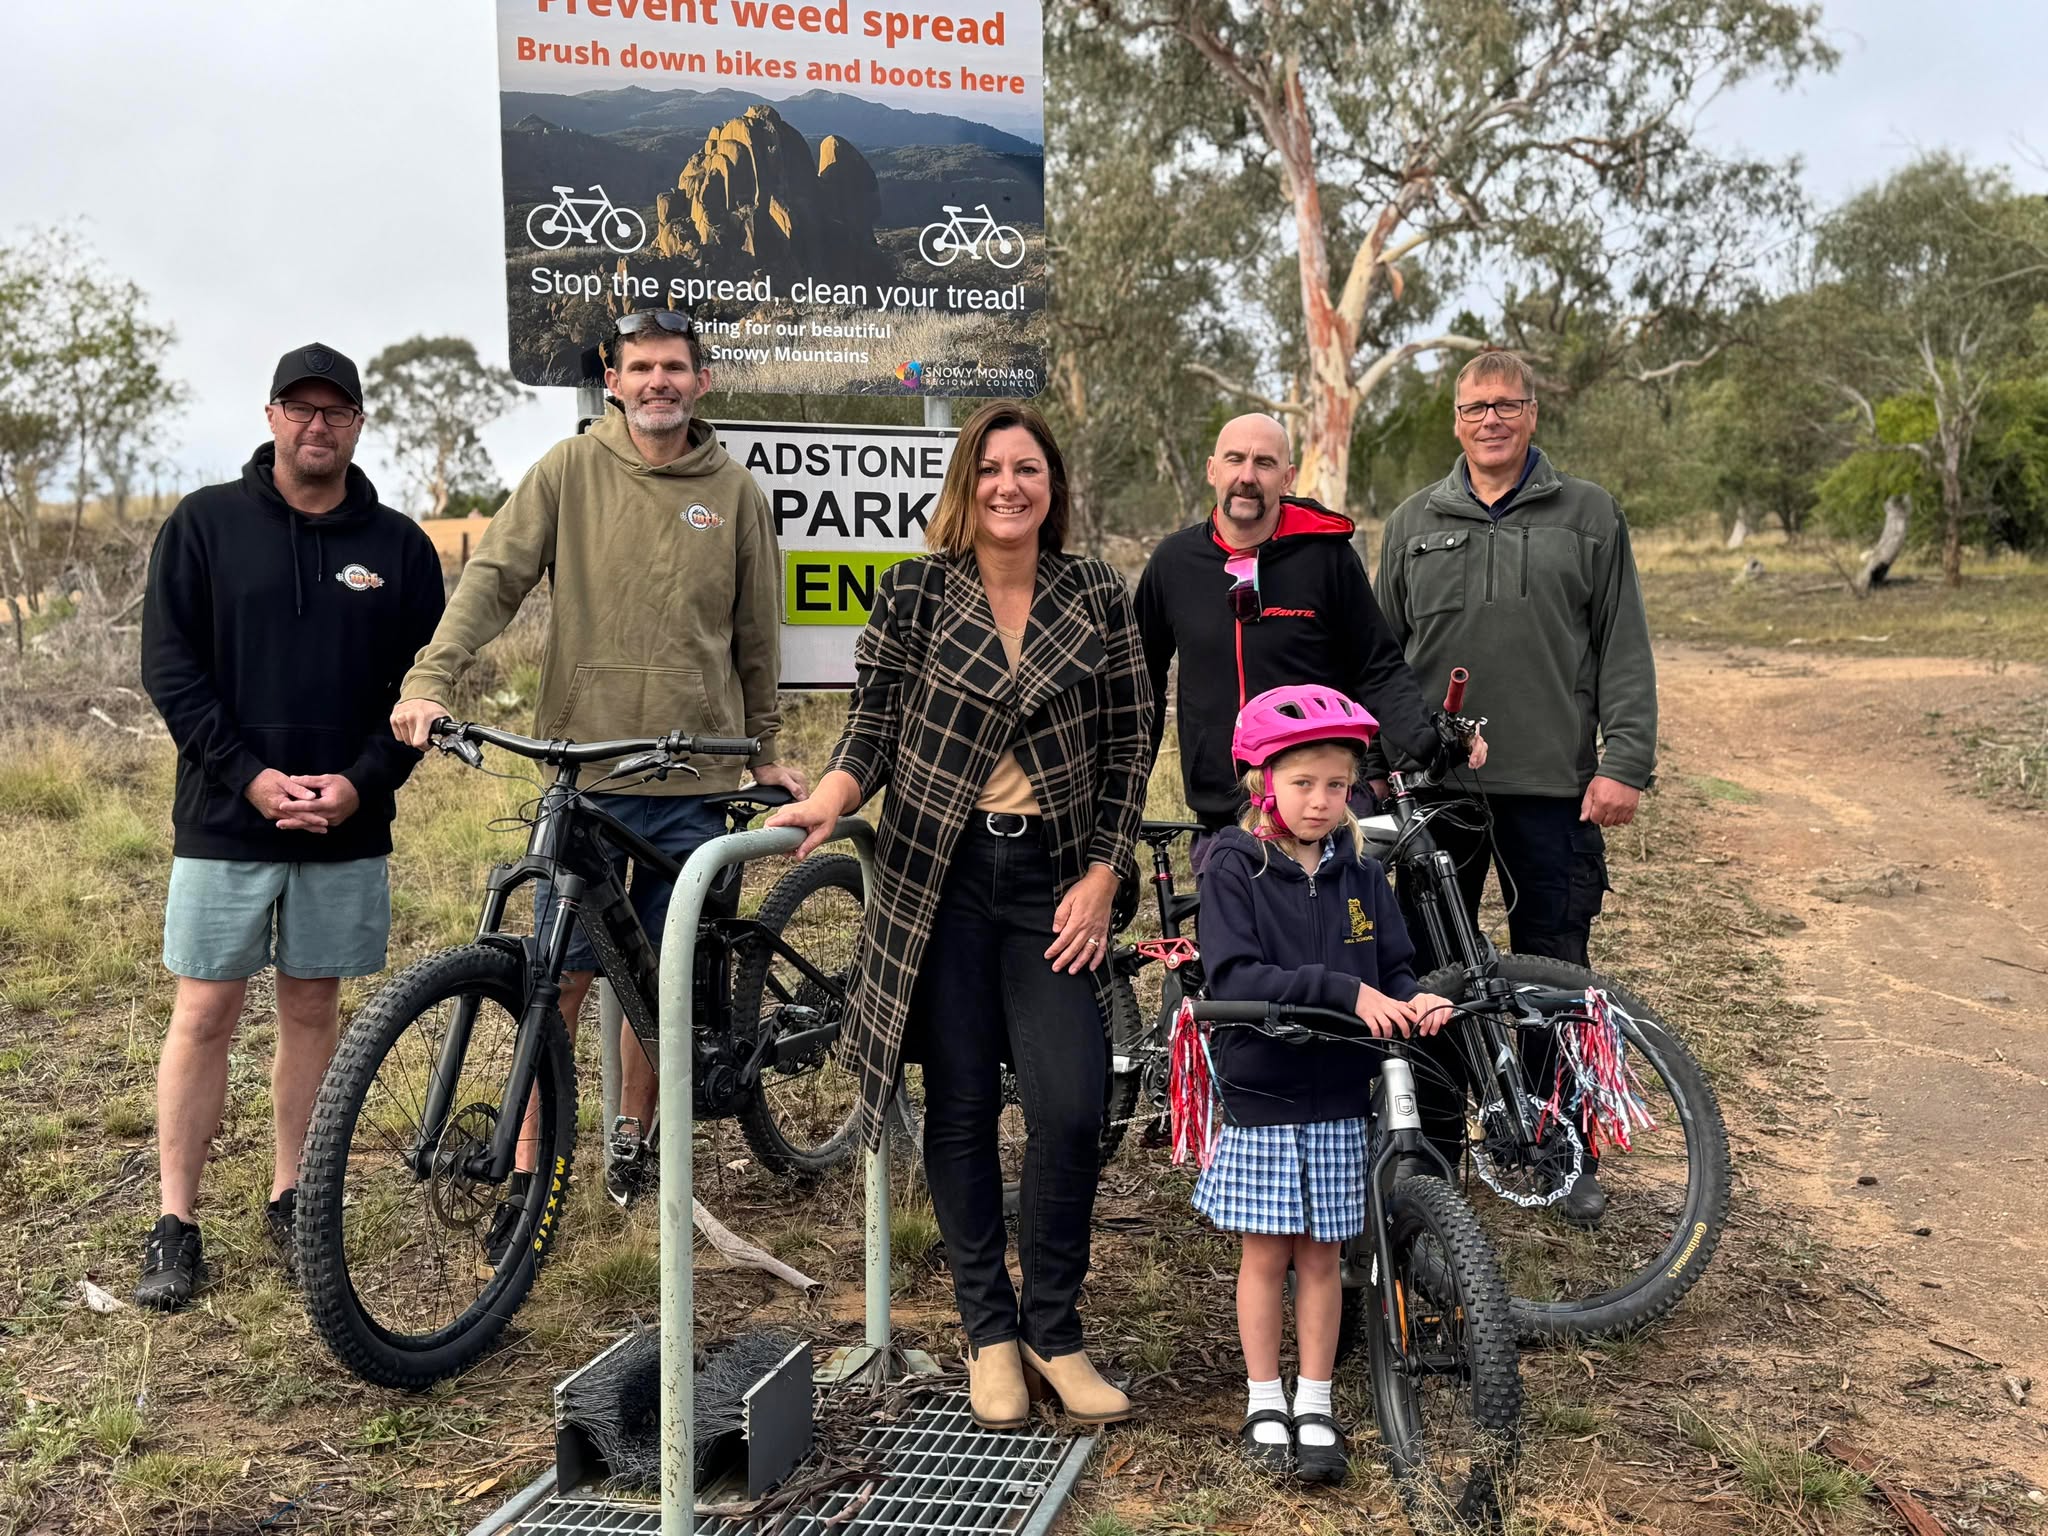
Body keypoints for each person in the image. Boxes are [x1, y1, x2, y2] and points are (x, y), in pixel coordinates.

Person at [768, 401, 1153, 1434]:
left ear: (1051, 486)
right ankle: (989, 1334)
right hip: (935, 879)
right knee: (960, 1109)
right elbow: (874, 726)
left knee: (1073, 1106)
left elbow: (1128, 745)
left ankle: (1053, 1333)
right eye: (988, 469)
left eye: (1026, 469)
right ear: (962, 485)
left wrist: (1105, 870)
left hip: (1054, 885)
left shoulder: (1093, 594)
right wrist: (834, 796)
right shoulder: (914, 592)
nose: (1007, 487)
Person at [390, 310, 804, 1220]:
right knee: (557, 974)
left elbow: (754, 639)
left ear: (701, 383)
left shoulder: (733, 493)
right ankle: (533, 1164)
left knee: (662, 983)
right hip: (583, 774)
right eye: (640, 368)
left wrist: (765, 751)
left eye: (675, 368)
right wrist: (431, 679)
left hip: (693, 781)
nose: (658, 382)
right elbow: (494, 578)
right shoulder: (568, 471)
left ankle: (634, 1135)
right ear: (611, 381)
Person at [136, 343, 446, 1309]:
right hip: (227, 821)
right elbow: (171, 669)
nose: (318, 425)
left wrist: (362, 782)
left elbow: (424, 689)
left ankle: (291, 1197)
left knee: (313, 1009)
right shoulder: (204, 526)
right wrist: (250, 777)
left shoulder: (399, 548)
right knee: (205, 1012)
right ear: (272, 414)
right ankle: (176, 1223)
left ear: (358, 422)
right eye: (300, 408)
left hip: (345, 829)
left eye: (337, 410)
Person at [1376, 348, 1658, 1222]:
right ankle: (1441, 1146)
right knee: (1432, 972)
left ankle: (1559, 1146)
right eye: (1473, 408)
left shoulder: (1588, 515)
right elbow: (1380, 655)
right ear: (1455, 420)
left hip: (1557, 787)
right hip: (1432, 793)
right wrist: (1377, 763)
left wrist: (1624, 762)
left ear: (1533, 413)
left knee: (1553, 968)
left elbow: (1623, 646)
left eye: (1506, 405)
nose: (1489, 420)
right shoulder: (1415, 520)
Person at [1193, 684, 1453, 1481]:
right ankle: (1262, 1396)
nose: (1320, 800)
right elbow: (1238, 972)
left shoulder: (1360, 873)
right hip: (1265, 1091)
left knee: (1323, 1255)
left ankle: (1316, 1398)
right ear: (1261, 782)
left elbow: (1394, 964)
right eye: (1302, 782)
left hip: (1341, 1093)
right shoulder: (1234, 866)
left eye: (1337, 785)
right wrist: (1344, 992)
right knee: (1266, 1254)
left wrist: (1415, 997)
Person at [1134, 412, 1484, 859]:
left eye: (1264, 463)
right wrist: (1123, 797)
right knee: (1233, 930)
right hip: (1225, 812)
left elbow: (1377, 665)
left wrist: (1426, 741)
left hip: (1323, 807)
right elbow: (1139, 682)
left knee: (1342, 929)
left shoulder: (1327, 558)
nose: (1246, 476)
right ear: (1212, 470)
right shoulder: (1173, 563)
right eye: (1235, 459)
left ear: (1287, 478)